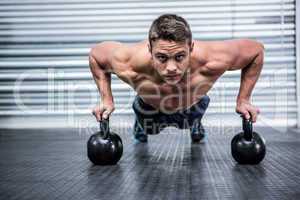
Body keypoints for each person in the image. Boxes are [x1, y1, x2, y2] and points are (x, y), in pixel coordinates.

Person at [89, 14, 263, 143]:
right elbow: (96, 56)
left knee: (195, 112)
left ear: (191, 47)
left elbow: (256, 51)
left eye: (179, 57)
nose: (171, 68)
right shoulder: (128, 61)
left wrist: (244, 100)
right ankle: (140, 126)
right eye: (162, 58)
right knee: (148, 129)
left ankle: (196, 124)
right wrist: (106, 99)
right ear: (150, 49)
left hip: (192, 106)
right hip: (150, 110)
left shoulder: (213, 58)